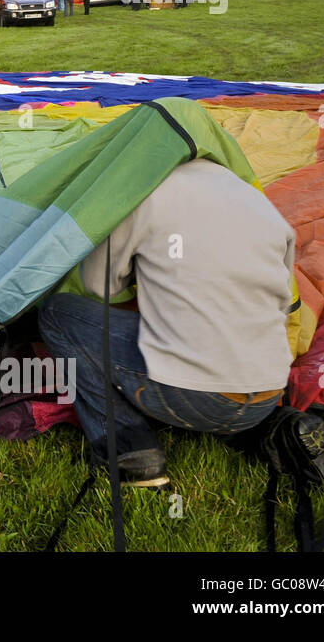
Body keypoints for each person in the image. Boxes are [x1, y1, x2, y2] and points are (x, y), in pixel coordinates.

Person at [38, 157, 295, 485]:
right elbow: (281, 302)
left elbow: (97, 284)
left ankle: (129, 449)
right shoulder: (257, 199)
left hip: (192, 397)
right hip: (268, 393)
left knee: (58, 314)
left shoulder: (144, 193)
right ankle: (280, 426)